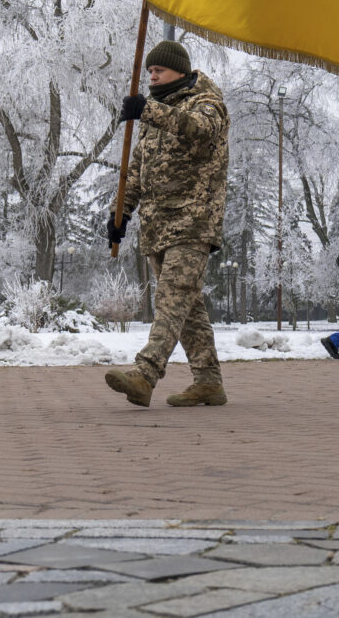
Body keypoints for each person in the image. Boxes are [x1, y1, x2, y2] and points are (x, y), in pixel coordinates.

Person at [105, 40, 230, 408]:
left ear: (180, 70)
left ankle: (145, 375)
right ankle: (209, 382)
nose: (153, 76)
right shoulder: (153, 115)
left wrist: (149, 112)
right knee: (187, 307)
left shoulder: (207, 103)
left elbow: (199, 130)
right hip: (158, 227)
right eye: (149, 72)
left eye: (158, 70)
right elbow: (138, 172)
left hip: (194, 222)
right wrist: (121, 215)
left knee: (171, 297)